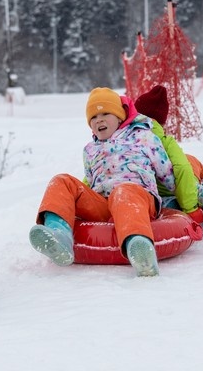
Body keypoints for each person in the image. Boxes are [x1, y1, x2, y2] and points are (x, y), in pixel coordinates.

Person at [29, 87, 177, 277]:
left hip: (137, 198)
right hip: (103, 204)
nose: (99, 119)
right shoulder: (89, 150)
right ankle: (58, 236)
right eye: (93, 117)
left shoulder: (144, 137)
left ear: (120, 116)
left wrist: (182, 199)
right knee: (61, 181)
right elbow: (90, 182)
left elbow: (168, 176)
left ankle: (139, 247)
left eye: (105, 113)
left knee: (123, 192)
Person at [132, 85, 203, 229]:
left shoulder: (122, 139)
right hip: (172, 190)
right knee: (192, 168)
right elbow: (182, 169)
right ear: (161, 122)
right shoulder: (165, 142)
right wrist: (191, 209)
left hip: (141, 195)